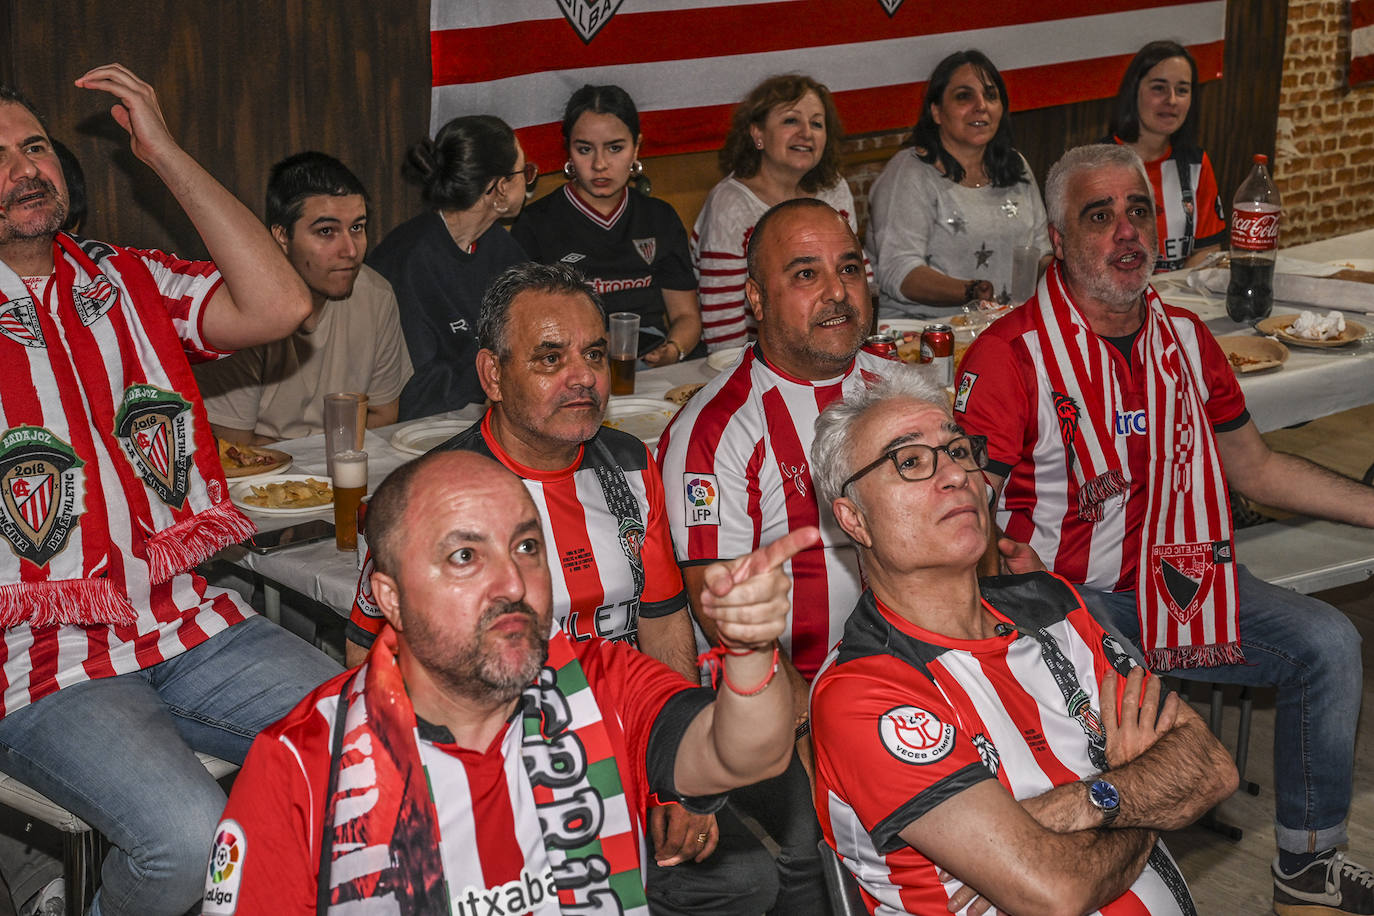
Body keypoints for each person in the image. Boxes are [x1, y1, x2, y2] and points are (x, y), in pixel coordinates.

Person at [955, 143, 1374, 916]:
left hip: (1188, 580)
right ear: (1057, 238)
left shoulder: (1185, 336)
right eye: (1099, 215)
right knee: (1162, 750)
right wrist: (992, 556)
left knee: (1329, 643)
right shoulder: (1009, 357)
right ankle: (1112, 886)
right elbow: (959, 511)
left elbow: (1254, 470)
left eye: (1138, 210)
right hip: (1071, 602)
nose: (1126, 233)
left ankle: (1307, 871)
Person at [0, 67, 340, 916]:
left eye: (34, 145)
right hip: (47, 665)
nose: (23, 168)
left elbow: (280, 302)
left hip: (189, 622)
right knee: (189, 842)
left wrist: (165, 152)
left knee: (370, 741)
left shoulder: (125, 278)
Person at [205, 449, 815, 914]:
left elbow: (749, 752)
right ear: (390, 597)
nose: (514, 583)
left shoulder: (596, 680)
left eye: (526, 546)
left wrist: (750, 650)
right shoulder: (304, 765)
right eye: (465, 557)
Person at [807, 367, 1238, 915]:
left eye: (959, 451)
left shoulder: (1053, 605)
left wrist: (1084, 801)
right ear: (855, 520)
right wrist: (1138, 793)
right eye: (910, 461)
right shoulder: (866, 692)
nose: (956, 476)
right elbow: (1057, 894)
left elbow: (1211, 765)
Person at [658, 197, 889, 914]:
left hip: (899, 666)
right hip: (781, 695)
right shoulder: (717, 429)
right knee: (810, 858)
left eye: (849, 269)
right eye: (806, 274)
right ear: (755, 299)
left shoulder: (899, 393)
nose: (837, 293)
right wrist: (820, 721)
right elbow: (722, 612)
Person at [195, 152, 412, 441]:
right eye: (326, 231)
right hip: (260, 482)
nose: (350, 249)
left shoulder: (377, 295)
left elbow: (384, 415)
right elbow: (234, 449)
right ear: (282, 236)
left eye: (357, 227)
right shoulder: (240, 309)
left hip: (349, 468)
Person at [512, 85, 701, 365]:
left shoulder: (659, 217)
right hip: (569, 365)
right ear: (568, 151)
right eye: (585, 149)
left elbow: (686, 316)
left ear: (636, 147)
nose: (600, 164)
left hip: (650, 363)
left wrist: (673, 350)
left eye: (615, 148)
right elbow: (522, 327)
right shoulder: (536, 223)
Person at [370, 115, 533, 421]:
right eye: (525, 172)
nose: (528, 181)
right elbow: (411, 389)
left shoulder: (498, 244)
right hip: (418, 428)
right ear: (499, 188)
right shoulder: (407, 259)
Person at [866, 50, 1051, 317]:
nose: (981, 106)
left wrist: (1069, 266)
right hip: (925, 336)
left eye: (990, 95)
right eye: (964, 96)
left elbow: (1040, 252)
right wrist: (972, 291)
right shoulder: (909, 172)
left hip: (1005, 328)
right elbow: (899, 271)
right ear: (936, 112)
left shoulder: (1015, 165)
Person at [692, 74, 869, 351]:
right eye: (791, 120)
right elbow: (722, 322)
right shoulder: (730, 203)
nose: (806, 133)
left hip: (827, 345)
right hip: (756, 357)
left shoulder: (835, 189)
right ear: (757, 134)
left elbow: (860, 278)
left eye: (817, 123)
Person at [1106, 40, 1226, 273]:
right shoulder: (1095, 165)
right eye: (1159, 88)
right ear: (1134, 91)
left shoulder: (1196, 164)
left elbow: (1208, 250)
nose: (1171, 100)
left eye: (1182, 90)